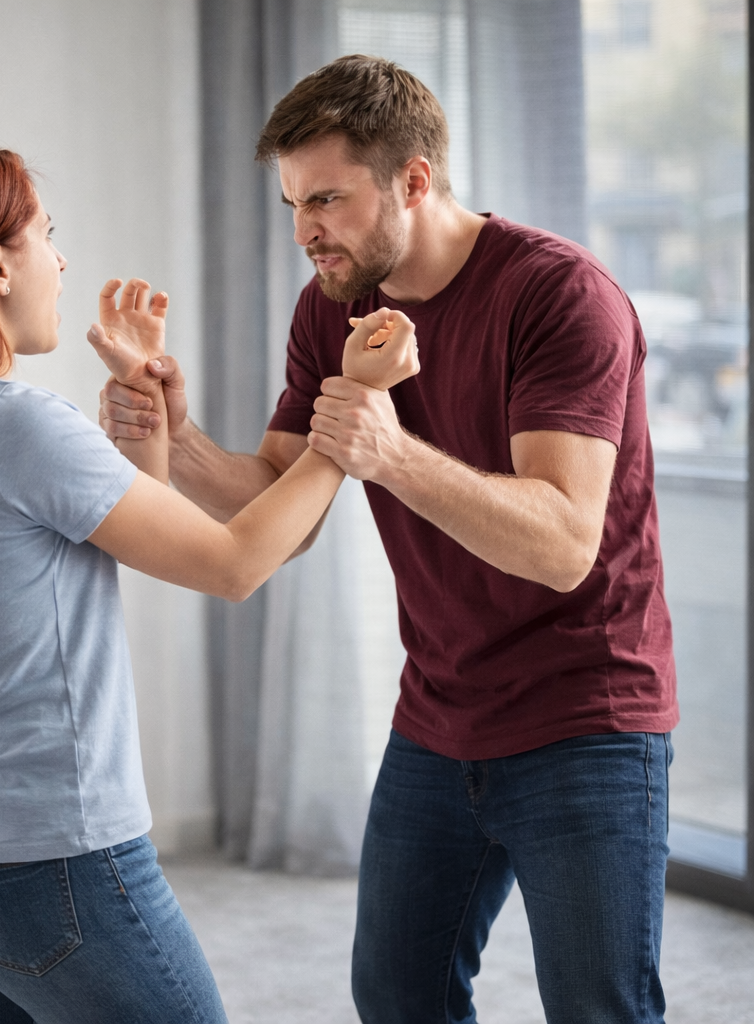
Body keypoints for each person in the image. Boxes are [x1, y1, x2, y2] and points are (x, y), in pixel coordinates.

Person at [101, 55, 679, 1023]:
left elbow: (563, 542)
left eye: (325, 199)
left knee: (599, 1007)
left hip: (587, 716)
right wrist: (179, 437)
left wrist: (391, 452)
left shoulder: (559, 296)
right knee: (397, 994)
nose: (304, 232)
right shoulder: (333, 305)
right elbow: (278, 508)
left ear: (413, 179)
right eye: (293, 204)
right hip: (440, 712)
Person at [0, 146, 416, 1024]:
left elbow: (118, 541)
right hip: (58, 864)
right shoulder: (14, 426)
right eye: (45, 236)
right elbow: (235, 563)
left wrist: (144, 420)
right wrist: (351, 413)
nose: (60, 262)